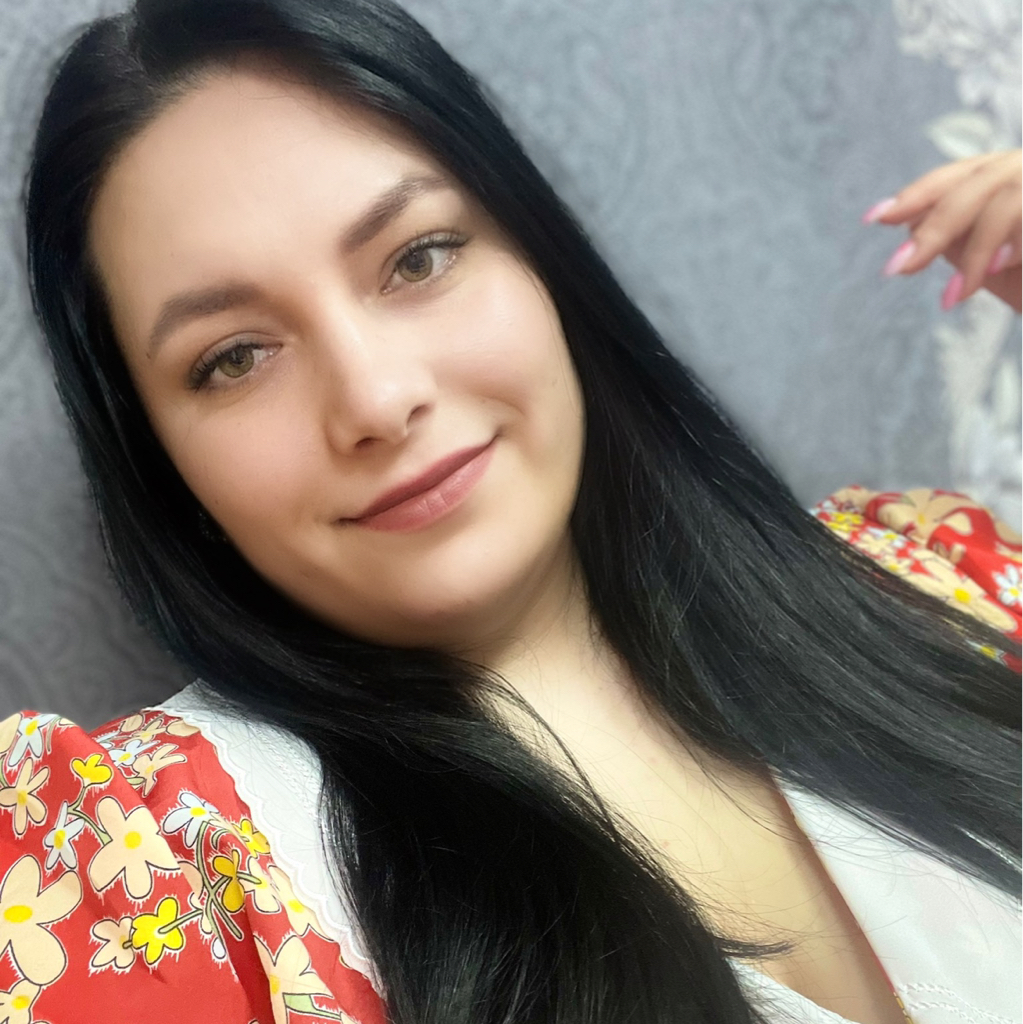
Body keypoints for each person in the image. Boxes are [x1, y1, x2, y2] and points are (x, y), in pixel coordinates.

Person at [0, 1, 1019, 1022]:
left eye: (418, 257)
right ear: (158, 457)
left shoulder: (934, 582)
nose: (376, 400)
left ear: (540, 260)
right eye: (233, 357)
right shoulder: (145, 872)